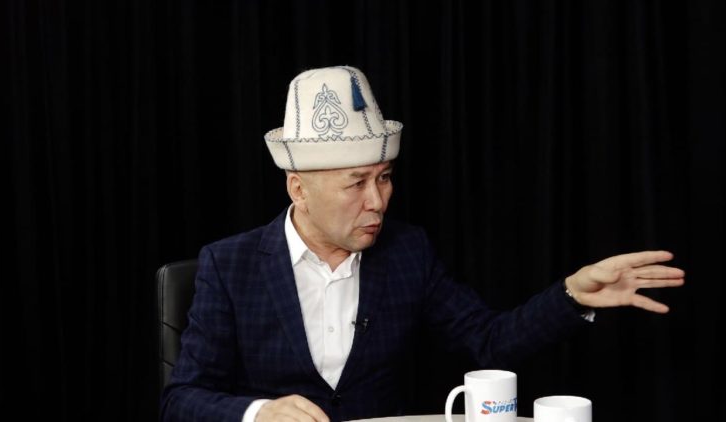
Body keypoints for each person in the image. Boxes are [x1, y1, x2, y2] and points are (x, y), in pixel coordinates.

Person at [160, 66, 684, 422]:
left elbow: (489, 341)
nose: (377, 201)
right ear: (299, 188)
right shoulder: (230, 265)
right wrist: (259, 413)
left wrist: (571, 295)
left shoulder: (407, 251)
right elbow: (181, 400)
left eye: (384, 178)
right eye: (356, 183)